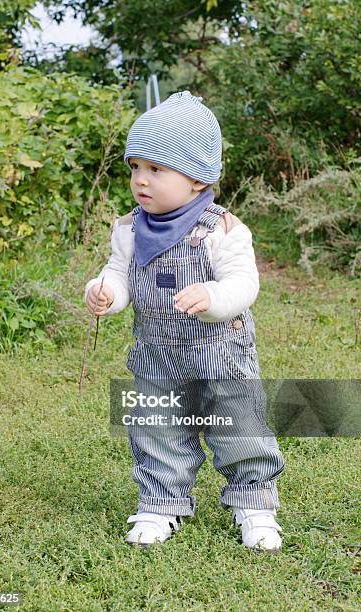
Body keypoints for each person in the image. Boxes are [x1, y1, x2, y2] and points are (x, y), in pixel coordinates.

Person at [85, 91, 285, 553]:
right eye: (135, 167)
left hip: (219, 352)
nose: (141, 180)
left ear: (196, 178)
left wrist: (214, 295)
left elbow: (244, 284)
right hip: (156, 354)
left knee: (239, 424)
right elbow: (119, 273)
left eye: (156, 169)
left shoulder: (223, 230)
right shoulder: (129, 229)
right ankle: (160, 501)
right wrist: (106, 292)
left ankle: (254, 503)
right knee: (156, 427)